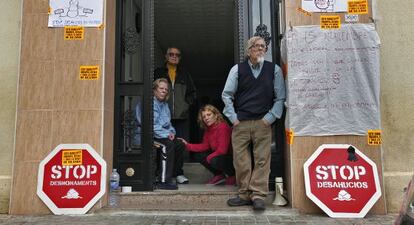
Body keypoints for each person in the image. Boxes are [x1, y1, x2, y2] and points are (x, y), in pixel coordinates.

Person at [222, 36, 286, 211]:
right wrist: (232, 117)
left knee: (262, 160)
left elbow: (280, 97)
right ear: (248, 50)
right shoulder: (237, 69)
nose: (260, 49)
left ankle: (258, 195)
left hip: (263, 123)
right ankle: (244, 194)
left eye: (263, 47)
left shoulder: (274, 70)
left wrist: (270, 118)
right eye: (256, 46)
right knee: (240, 160)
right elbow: (227, 95)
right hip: (241, 123)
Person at [178, 105, 236, 186]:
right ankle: (219, 175)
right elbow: (205, 146)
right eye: (204, 116)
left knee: (214, 160)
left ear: (216, 115)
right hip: (220, 156)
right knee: (199, 156)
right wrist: (187, 145)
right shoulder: (208, 129)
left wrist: (209, 157)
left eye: (209, 115)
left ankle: (232, 175)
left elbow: (223, 150)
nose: (206, 118)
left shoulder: (222, 127)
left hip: (232, 158)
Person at [153, 78, 189, 190]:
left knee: (179, 144)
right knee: (167, 145)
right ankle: (163, 181)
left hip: (162, 135)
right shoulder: (150, 103)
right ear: (154, 90)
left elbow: (169, 124)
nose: (164, 91)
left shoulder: (164, 105)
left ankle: (174, 174)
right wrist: (167, 134)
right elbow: (152, 126)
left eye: (166, 89)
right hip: (149, 135)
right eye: (161, 88)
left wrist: (172, 132)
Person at [154, 47, 197, 141]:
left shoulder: (185, 73)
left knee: (182, 143)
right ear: (166, 56)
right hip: (163, 115)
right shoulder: (158, 72)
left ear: (180, 58)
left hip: (181, 116)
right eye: (171, 54)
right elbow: (152, 90)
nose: (174, 56)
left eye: (177, 55)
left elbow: (192, 93)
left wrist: (185, 105)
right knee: (166, 142)